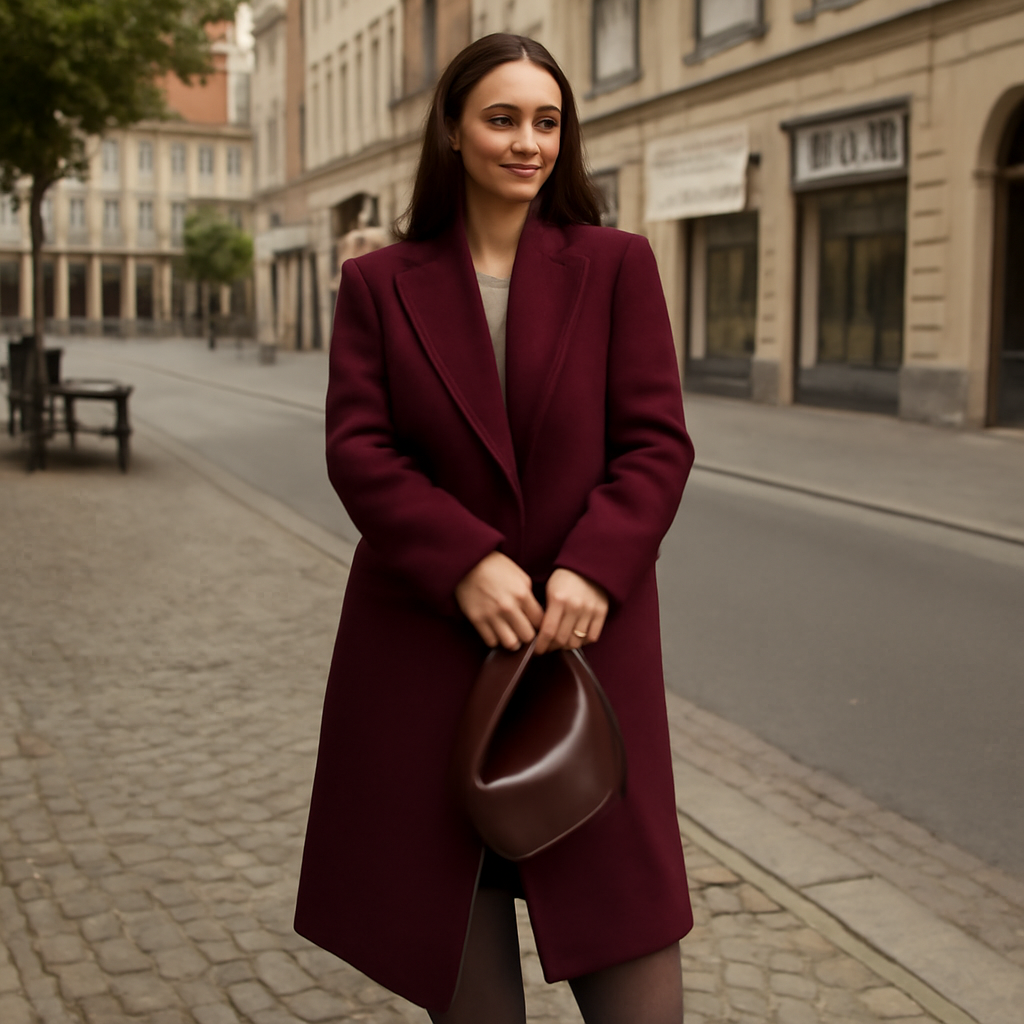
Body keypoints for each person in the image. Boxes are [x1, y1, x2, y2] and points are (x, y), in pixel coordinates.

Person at [295, 33, 695, 1024]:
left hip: (580, 646)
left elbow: (655, 443)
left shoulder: (617, 265)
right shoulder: (379, 282)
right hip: (427, 650)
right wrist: (464, 560)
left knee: (632, 956)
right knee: (461, 962)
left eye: (546, 122)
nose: (528, 143)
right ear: (452, 130)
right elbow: (359, 448)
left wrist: (594, 567)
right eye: (503, 118)